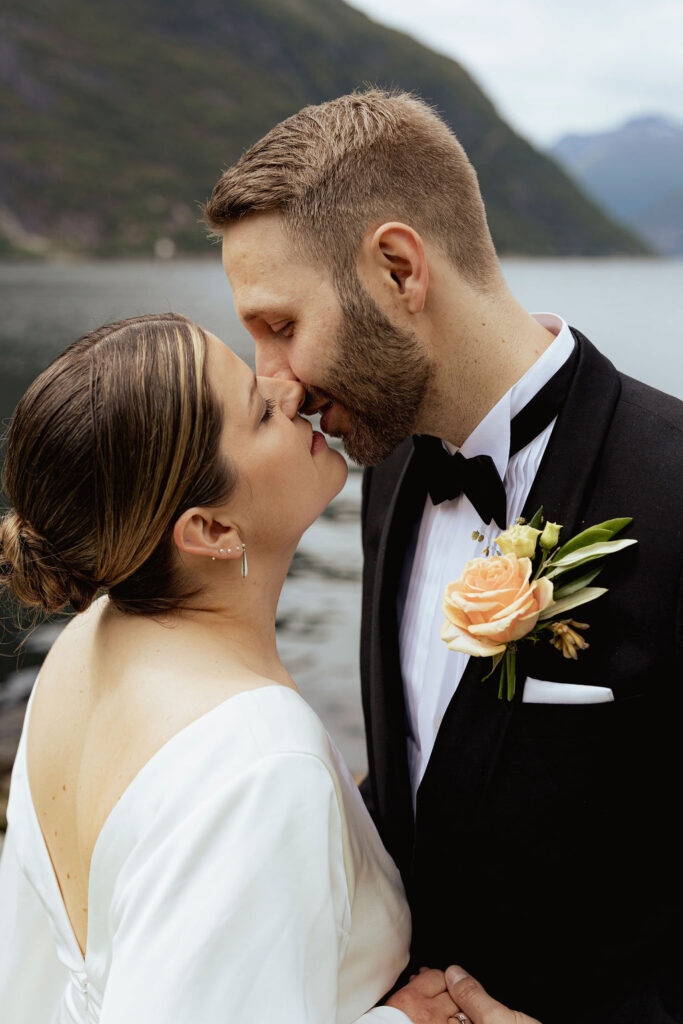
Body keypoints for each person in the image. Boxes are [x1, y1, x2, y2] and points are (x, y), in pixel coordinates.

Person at [205, 88, 683, 1024]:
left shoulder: (672, 488)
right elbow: (429, 766)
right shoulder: (386, 465)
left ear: (396, 269)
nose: (274, 385)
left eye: (280, 326)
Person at [0, 312, 468, 1023]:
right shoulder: (262, 762)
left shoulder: (85, 642)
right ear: (211, 530)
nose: (286, 387)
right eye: (257, 407)